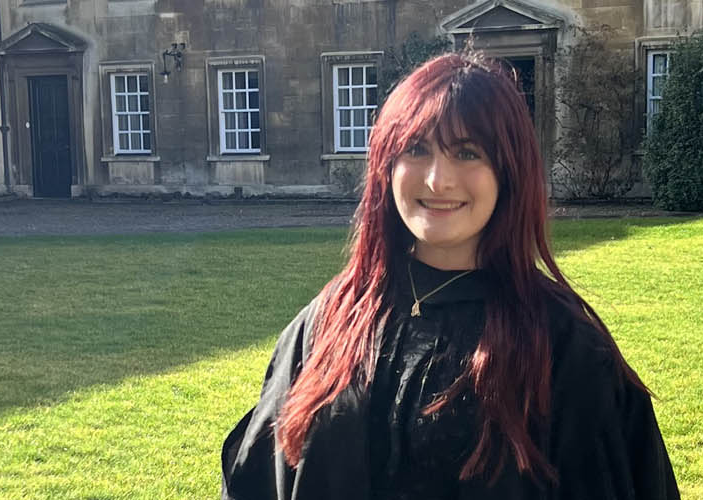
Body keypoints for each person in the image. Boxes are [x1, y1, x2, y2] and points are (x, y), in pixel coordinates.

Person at [219, 53, 678, 499]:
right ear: (386, 167)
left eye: (467, 152)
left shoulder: (562, 346)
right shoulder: (329, 323)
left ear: (509, 171)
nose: (438, 180)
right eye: (417, 148)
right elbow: (256, 476)